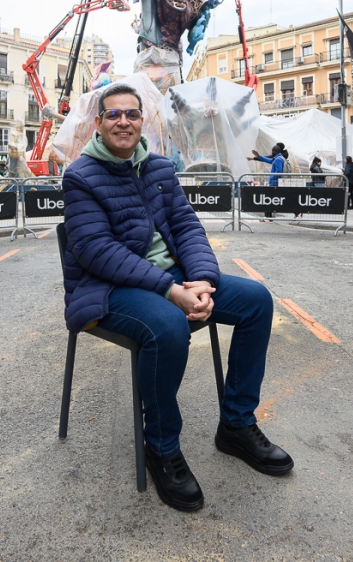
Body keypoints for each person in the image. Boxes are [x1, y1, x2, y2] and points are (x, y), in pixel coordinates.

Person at [62, 83, 292, 512]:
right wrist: (171, 291)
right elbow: (96, 251)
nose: (123, 122)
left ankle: (236, 425)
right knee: (168, 327)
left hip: (176, 278)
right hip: (109, 288)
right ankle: (162, 446)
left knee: (256, 300)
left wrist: (201, 281)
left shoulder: (160, 168)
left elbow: (186, 226)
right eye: (113, 114)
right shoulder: (80, 176)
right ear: (98, 123)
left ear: (141, 121)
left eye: (132, 114)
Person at [247, 143, 284, 219]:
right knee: (269, 200)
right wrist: (259, 156)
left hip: (274, 183)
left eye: (272, 151)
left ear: (274, 151)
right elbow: (268, 160)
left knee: (269, 200)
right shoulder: (276, 158)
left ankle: (269, 217)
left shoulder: (278, 159)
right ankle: (268, 217)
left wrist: (272, 177)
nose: (271, 152)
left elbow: (279, 171)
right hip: (273, 182)